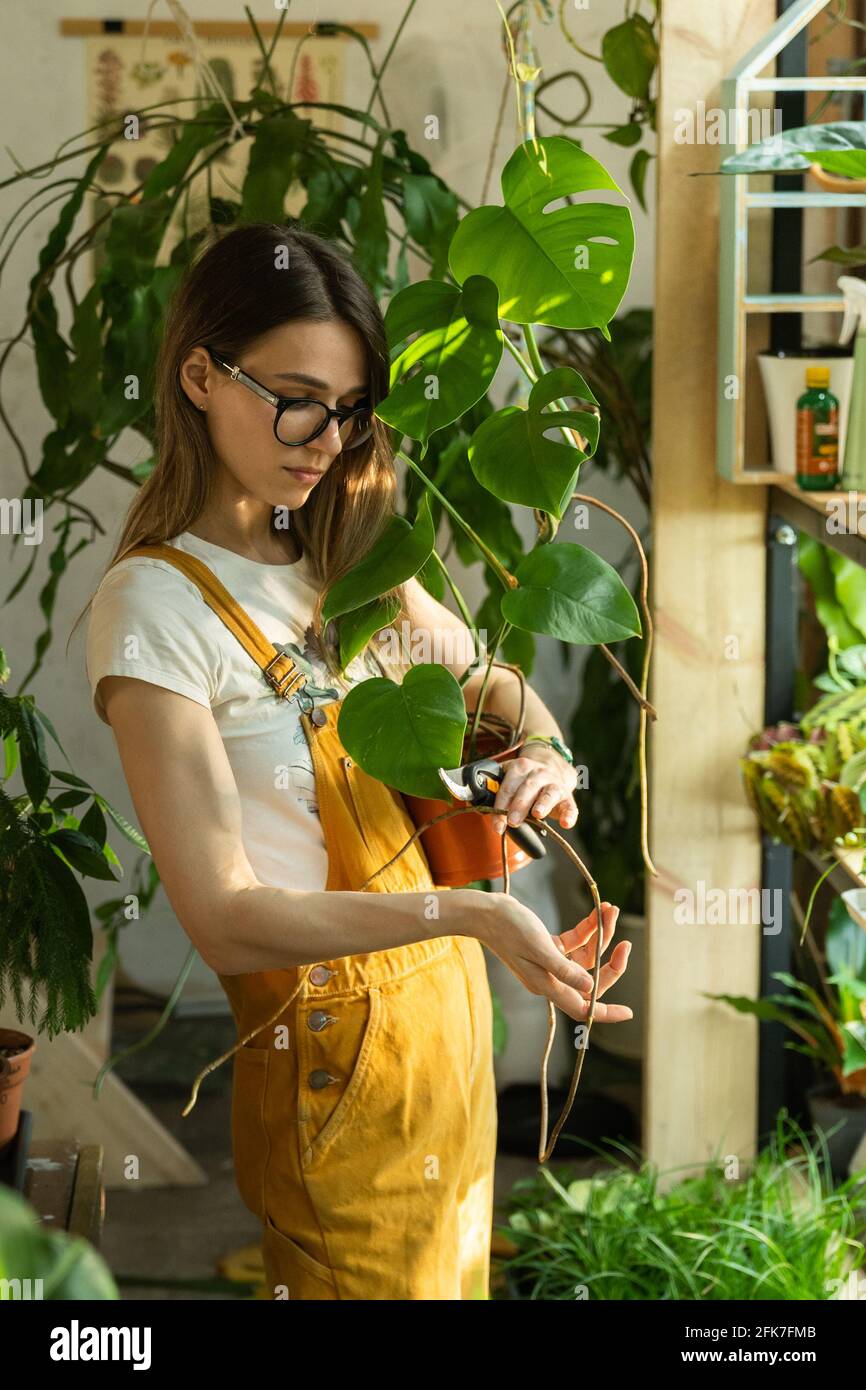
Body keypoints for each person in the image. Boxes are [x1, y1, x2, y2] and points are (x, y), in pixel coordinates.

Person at [80, 222, 632, 1301]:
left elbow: (492, 688)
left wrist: (545, 755)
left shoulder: (349, 555)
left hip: (445, 1030)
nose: (325, 439)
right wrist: (474, 913)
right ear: (199, 374)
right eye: (294, 396)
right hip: (333, 1060)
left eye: (348, 409)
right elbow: (226, 913)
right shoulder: (154, 607)